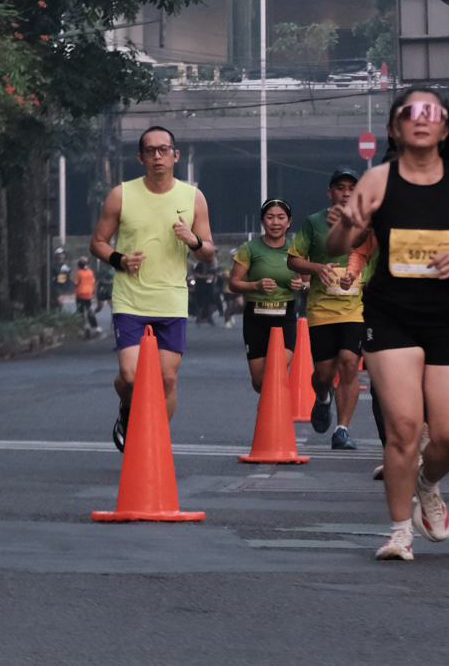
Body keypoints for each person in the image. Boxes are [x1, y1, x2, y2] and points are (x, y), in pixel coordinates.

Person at [326, 87, 449, 562]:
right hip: (391, 315)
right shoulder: (378, 180)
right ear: (394, 127)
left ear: (444, 126)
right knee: (403, 427)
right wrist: (347, 222)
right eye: (410, 112)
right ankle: (400, 531)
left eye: (431, 112)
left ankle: (427, 481)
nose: (421, 119)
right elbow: (338, 246)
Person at [90, 125, 216, 452]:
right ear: (140, 158)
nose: (157, 156)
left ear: (175, 155)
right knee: (130, 377)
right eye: (150, 150)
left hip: (171, 299)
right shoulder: (121, 194)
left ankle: (153, 444)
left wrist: (193, 240)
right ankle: (127, 407)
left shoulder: (193, 197)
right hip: (130, 299)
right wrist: (119, 260)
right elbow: (98, 242)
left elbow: (208, 252)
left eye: (164, 149)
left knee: (167, 379)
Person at [288, 168, 366, 450]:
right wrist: (317, 267)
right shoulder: (313, 223)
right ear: (330, 192)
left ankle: (342, 430)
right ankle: (323, 398)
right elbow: (293, 260)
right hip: (322, 309)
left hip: (355, 309)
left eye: (351, 188)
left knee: (349, 363)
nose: (346, 193)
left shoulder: (367, 223)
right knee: (323, 375)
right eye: (340, 188)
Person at [229, 199, 308, 394]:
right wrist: (255, 285)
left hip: (285, 318)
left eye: (281, 217)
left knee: (275, 371)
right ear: (262, 222)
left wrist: (302, 286)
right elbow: (234, 283)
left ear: (289, 222)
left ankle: (276, 410)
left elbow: (310, 283)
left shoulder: (297, 250)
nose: (275, 222)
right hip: (256, 319)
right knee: (259, 381)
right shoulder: (249, 248)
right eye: (270, 217)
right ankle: (268, 407)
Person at [73, 258, 101, 336]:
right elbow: (93, 281)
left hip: (80, 294)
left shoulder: (79, 272)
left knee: (81, 311)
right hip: (88, 294)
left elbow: (76, 283)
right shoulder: (90, 272)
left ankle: (83, 327)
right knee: (89, 310)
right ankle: (95, 326)